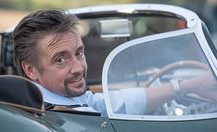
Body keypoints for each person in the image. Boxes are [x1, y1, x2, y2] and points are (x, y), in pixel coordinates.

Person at [12, 9, 217, 117]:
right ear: (30, 70)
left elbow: (111, 103)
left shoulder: (58, 99)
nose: (78, 68)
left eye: (79, 52)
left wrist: (186, 86)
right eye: (60, 59)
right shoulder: (60, 113)